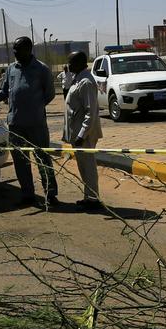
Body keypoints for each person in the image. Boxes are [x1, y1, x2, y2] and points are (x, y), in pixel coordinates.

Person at [0, 36, 57, 206]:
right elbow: (3, 92)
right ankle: (27, 194)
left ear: (29, 50)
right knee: (21, 160)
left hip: (36, 124)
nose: (15, 52)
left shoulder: (42, 69)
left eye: (18, 49)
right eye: (13, 49)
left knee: (42, 158)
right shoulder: (11, 69)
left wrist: (35, 107)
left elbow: (50, 94)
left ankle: (50, 194)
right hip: (15, 123)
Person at [62, 51, 102, 210]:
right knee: (83, 167)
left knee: (88, 167)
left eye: (70, 62)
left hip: (84, 135)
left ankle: (93, 199)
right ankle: (88, 196)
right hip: (78, 133)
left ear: (79, 63)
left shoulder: (86, 82)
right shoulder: (77, 79)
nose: (68, 65)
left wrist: (81, 134)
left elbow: (90, 112)